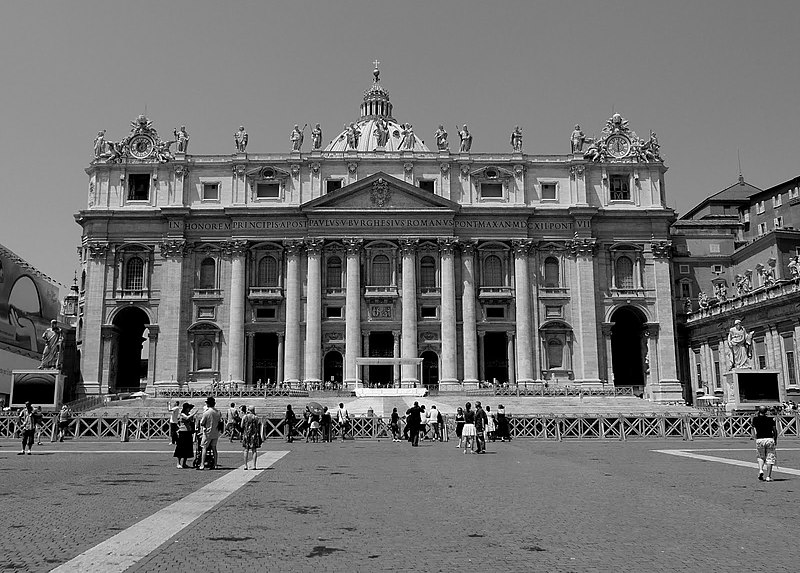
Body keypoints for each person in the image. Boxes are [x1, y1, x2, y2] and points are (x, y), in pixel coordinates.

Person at [751, 405, 778, 482]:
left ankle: (760, 470)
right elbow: (775, 430)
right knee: (770, 458)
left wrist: (754, 436)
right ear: (766, 411)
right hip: (769, 439)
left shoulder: (755, 419)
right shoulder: (770, 419)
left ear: (759, 411)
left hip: (760, 439)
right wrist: (775, 439)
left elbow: (752, 427)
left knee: (760, 456)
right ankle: (768, 476)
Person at [198, 396, 222, 470]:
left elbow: (202, 423)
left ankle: (202, 464)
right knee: (214, 448)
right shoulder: (218, 412)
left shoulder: (207, 412)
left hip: (207, 432)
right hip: (215, 432)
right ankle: (215, 464)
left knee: (204, 447)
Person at [173, 403, 195, 468]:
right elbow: (186, 418)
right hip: (182, 432)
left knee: (187, 448)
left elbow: (190, 420)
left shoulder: (189, 414)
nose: (189, 409)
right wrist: (193, 414)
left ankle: (184, 463)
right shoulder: (182, 414)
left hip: (188, 432)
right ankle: (178, 463)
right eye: (188, 408)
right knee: (181, 447)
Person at [241, 406, 263, 470]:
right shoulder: (255, 417)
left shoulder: (245, 417)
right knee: (254, 450)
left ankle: (245, 465)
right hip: (254, 435)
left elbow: (241, 425)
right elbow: (257, 426)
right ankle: (254, 465)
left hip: (246, 434)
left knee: (246, 450)